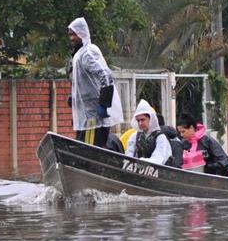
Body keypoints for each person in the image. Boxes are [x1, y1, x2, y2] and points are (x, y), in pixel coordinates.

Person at [67, 17, 124, 148]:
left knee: (89, 149)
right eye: (70, 34)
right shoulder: (79, 54)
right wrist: (74, 97)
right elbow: (84, 82)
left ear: (83, 33)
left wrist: (104, 103)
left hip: (93, 117)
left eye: (74, 34)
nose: (72, 38)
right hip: (86, 115)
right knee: (83, 147)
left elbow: (106, 75)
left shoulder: (87, 53)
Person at [176, 113, 228, 178]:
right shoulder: (183, 144)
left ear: (191, 128)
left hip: (213, 176)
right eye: (180, 132)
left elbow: (223, 159)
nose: (181, 135)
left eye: (183, 132)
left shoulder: (207, 141)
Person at [125, 99, 172, 165]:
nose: (140, 123)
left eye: (143, 120)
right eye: (138, 120)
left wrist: (143, 162)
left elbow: (159, 159)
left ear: (151, 119)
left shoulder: (160, 137)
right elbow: (129, 155)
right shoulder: (134, 136)